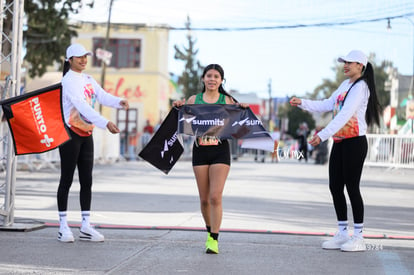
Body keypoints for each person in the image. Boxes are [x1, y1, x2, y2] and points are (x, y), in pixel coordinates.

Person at [290, 50, 381, 252]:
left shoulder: (361, 87)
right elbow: (327, 104)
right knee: (335, 186)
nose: (345, 65)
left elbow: (344, 116)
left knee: (352, 188)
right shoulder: (345, 85)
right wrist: (302, 102)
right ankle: (342, 233)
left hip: (355, 143)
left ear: (361, 66)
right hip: (340, 142)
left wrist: (321, 135)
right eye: (344, 62)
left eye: (350, 62)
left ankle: (358, 236)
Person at [57, 43, 129, 243]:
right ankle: (63, 226)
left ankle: (86, 225)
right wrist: (105, 123)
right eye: (79, 57)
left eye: (85, 57)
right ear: (69, 60)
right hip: (70, 134)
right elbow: (82, 106)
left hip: (86, 133)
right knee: (67, 180)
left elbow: (102, 95)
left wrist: (118, 102)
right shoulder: (69, 80)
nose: (83, 60)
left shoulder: (88, 79)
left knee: (87, 180)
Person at [173, 64, 248, 254]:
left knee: (215, 197)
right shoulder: (194, 100)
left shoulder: (227, 100)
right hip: (200, 151)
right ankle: (209, 232)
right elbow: (183, 122)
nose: (212, 79)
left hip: (220, 151)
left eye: (216, 76)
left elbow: (240, 124)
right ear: (203, 79)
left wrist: (243, 109)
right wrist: (179, 106)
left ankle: (214, 239)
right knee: (204, 200)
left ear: (221, 80)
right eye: (209, 76)